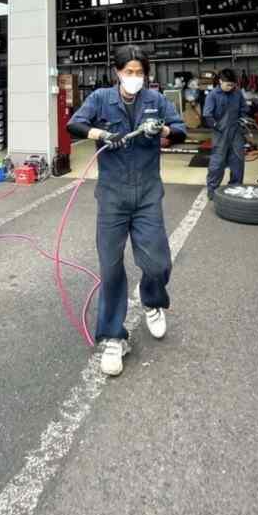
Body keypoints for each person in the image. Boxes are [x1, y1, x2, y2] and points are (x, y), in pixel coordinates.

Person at [67, 45, 187, 377]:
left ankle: (152, 300)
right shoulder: (100, 99)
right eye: (128, 71)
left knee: (157, 261)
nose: (134, 77)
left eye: (139, 72)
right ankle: (112, 337)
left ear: (146, 74)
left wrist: (161, 131)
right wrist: (101, 133)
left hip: (148, 192)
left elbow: (180, 131)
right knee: (110, 266)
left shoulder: (156, 101)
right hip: (113, 196)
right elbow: (74, 125)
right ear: (117, 72)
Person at [203, 68, 248, 201]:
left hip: (236, 132)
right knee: (217, 162)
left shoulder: (237, 93)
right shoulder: (212, 95)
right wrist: (216, 126)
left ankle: (236, 187)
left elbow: (244, 108)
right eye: (228, 84)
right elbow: (207, 114)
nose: (231, 87)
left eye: (233, 85)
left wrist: (243, 119)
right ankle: (212, 191)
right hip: (220, 133)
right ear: (220, 81)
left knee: (238, 161)